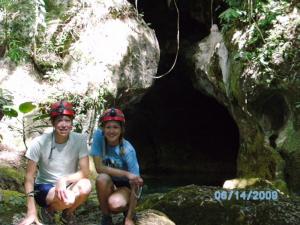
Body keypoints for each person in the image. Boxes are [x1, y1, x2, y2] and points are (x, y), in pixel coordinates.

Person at [18, 100, 91, 225]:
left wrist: (64, 180)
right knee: (68, 199)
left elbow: (85, 171)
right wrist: (31, 210)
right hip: (44, 188)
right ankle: (48, 210)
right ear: (53, 123)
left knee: (86, 185)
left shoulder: (80, 140)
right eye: (59, 120)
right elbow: (29, 177)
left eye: (67, 120)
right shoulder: (39, 142)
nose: (63, 124)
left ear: (72, 122)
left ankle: (67, 213)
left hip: (66, 184)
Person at [91, 107, 143, 225]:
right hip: (111, 183)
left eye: (115, 127)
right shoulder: (99, 137)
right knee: (102, 178)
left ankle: (126, 209)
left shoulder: (127, 149)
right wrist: (126, 173)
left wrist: (129, 217)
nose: (111, 131)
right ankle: (106, 218)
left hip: (127, 188)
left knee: (114, 204)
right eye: (108, 127)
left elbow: (136, 183)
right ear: (103, 129)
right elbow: (99, 168)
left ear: (121, 130)